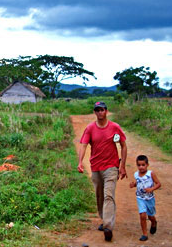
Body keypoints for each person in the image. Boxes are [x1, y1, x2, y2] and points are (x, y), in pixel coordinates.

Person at [75, 101, 127, 242]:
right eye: (97, 110)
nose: (100, 112)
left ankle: (108, 227)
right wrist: (80, 162)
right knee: (99, 196)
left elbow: (123, 145)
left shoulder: (115, 127)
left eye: (102, 110)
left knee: (108, 195)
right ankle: (104, 218)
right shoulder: (90, 128)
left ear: (106, 111)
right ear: (95, 112)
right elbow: (83, 145)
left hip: (111, 167)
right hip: (96, 167)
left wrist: (122, 166)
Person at [129, 155, 161, 241]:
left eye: (143, 165)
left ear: (147, 165)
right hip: (140, 198)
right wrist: (133, 185)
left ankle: (154, 222)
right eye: (139, 165)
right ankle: (145, 234)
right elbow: (138, 183)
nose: (141, 167)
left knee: (150, 216)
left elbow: (158, 184)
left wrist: (151, 189)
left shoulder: (151, 174)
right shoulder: (136, 174)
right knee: (142, 215)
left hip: (150, 198)